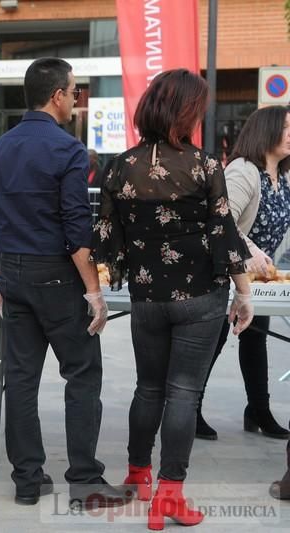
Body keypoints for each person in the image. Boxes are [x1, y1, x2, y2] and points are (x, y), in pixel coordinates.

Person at [91, 69, 254, 530]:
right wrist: (244, 295)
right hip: (201, 296)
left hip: (147, 296)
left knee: (149, 388)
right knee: (184, 391)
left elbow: (106, 236)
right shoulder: (205, 166)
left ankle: (137, 473)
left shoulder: (120, 165)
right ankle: (170, 494)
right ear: (188, 112)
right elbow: (224, 234)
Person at [0, 57, 126, 510]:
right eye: (74, 90)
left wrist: (0, 271)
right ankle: (85, 482)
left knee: (20, 380)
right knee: (82, 375)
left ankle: (27, 479)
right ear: (58, 95)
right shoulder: (68, 149)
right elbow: (76, 229)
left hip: (16, 274)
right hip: (59, 275)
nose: (76, 98)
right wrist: (95, 294)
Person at [196, 105, 290, 441]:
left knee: (257, 340)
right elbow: (223, 223)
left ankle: (258, 410)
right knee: (216, 340)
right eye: (287, 127)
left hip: (259, 279)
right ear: (266, 131)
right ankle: (190, 408)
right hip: (228, 272)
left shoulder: (282, 175)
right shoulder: (244, 171)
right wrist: (249, 253)